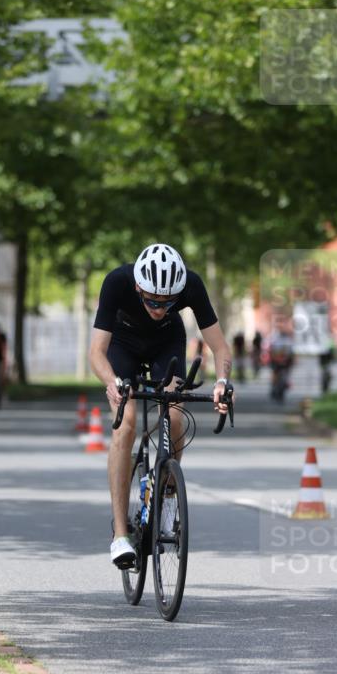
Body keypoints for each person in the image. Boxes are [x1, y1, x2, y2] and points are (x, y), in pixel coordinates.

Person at [89, 243, 232, 569]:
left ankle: (167, 495)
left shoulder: (191, 285)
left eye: (168, 302)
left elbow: (221, 348)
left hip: (166, 343)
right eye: (152, 300)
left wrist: (222, 382)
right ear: (139, 287)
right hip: (122, 346)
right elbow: (96, 351)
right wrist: (113, 382)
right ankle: (121, 535)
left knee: (177, 415)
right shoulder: (117, 282)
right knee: (125, 424)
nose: (159, 307)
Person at [268, 327, 295, 402]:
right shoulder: (275, 339)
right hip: (276, 361)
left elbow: (292, 353)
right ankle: (274, 387)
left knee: (284, 376)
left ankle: (281, 388)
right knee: (276, 375)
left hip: (285, 362)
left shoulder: (288, 341)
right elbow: (272, 351)